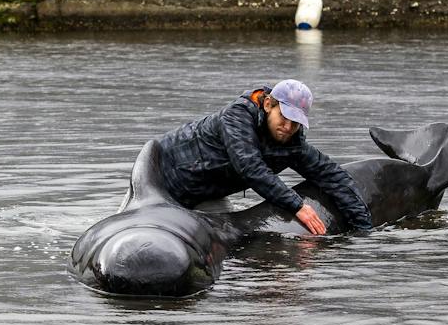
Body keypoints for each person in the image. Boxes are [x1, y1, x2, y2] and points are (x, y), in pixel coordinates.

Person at [156, 79, 372, 234]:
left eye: (295, 122)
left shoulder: (291, 142)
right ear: (269, 104)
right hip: (161, 183)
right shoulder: (237, 117)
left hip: (208, 195)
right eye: (284, 117)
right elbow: (250, 168)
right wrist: (297, 206)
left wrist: (364, 231)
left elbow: (332, 176)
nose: (288, 127)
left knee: (230, 244)